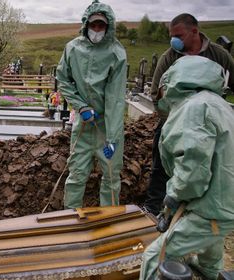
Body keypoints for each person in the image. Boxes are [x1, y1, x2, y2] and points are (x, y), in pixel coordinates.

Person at [140, 56, 234, 280]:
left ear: (173, 82)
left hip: (213, 207)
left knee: (155, 256)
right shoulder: (219, 104)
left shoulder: (192, 109)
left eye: (161, 88)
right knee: (210, 249)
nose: (160, 95)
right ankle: (211, 274)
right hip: (225, 201)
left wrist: (172, 198)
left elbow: (193, 172)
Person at [144, 13, 234, 216]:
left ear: (195, 31)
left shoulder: (218, 55)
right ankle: (153, 205)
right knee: (161, 163)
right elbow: (156, 94)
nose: (174, 40)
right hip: (174, 121)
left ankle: (204, 209)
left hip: (211, 123)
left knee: (212, 164)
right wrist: (174, 122)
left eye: (179, 35)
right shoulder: (170, 56)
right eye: (171, 35)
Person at [56, 0, 127, 208]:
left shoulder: (116, 53)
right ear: (86, 24)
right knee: (77, 173)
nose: (96, 30)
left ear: (108, 26)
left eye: (101, 26)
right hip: (84, 124)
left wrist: (112, 138)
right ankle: (70, 217)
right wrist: (81, 106)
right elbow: (63, 80)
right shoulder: (73, 49)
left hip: (107, 125)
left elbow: (115, 99)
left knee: (112, 176)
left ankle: (110, 219)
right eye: (93, 25)